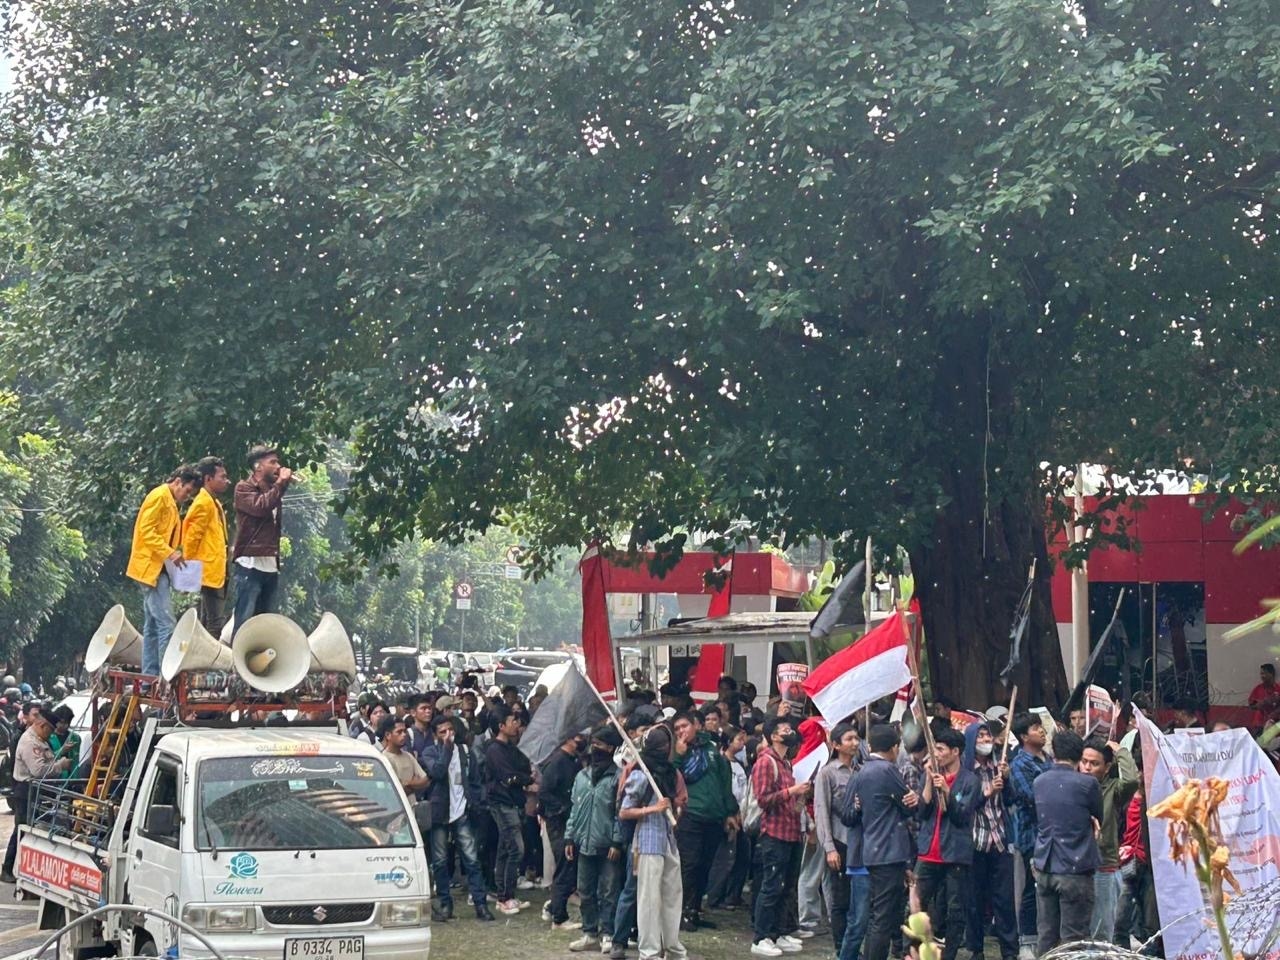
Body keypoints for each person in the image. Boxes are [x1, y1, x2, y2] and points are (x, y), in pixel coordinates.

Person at [845, 724, 917, 960]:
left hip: (873, 849)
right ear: (894, 747)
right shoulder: (887, 770)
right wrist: (915, 798)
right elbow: (907, 806)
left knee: (879, 915)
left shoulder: (860, 772)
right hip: (888, 850)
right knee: (883, 917)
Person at [620, 723, 687, 960]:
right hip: (647, 840)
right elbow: (625, 811)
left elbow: (677, 802)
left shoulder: (670, 773)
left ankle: (672, 946)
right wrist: (653, 808)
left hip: (668, 839)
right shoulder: (640, 773)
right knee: (649, 898)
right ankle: (648, 951)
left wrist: (675, 808)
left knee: (672, 894)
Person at [1031, 730, 1102, 954]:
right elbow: (1098, 815)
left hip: (1045, 865)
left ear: (1054, 753)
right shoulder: (1088, 784)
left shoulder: (1039, 782)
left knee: (1046, 934)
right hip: (1075, 866)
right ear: (1080, 755)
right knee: (1074, 939)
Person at [127, 465, 201, 676]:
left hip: (157, 568)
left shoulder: (169, 500)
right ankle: (165, 676)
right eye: (187, 491)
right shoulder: (160, 497)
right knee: (167, 624)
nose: (187, 497)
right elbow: (146, 531)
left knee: (152, 626)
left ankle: (150, 676)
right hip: (151, 568)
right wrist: (170, 553)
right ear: (178, 481)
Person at [913, 728, 979, 960]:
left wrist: (948, 792)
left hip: (955, 854)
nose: (936, 753)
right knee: (916, 905)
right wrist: (929, 782)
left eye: (940, 749)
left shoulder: (970, 780)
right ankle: (913, 952)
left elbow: (962, 816)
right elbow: (922, 812)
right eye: (935, 748)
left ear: (955, 751)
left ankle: (949, 954)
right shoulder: (930, 775)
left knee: (955, 909)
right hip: (928, 852)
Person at [421, 712, 494, 922]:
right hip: (440, 813)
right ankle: (445, 904)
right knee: (440, 861)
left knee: (472, 859)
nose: (448, 734)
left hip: (462, 811)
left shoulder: (465, 751)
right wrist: (446, 749)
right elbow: (438, 772)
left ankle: (480, 904)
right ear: (435, 735)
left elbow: (476, 780)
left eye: (450, 730)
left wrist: (477, 802)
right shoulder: (430, 752)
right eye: (442, 732)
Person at [750, 714, 810, 957]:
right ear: (773, 736)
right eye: (785, 729)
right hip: (774, 833)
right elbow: (763, 799)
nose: (790, 731)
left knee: (787, 886)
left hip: (791, 831)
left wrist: (799, 796)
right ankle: (761, 936)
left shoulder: (786, 763)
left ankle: (779, 932)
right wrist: (792, 790)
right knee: (772, 886)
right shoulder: (766, 762)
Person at [672, 710, 737, 931]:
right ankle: (683, 912)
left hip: (714, 815)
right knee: (689, 865)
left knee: (705, 865)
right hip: (690, 815)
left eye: (684, 726)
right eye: (677, 728)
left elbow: (724, 781)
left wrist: (729, 812)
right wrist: (679, 755)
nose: (681, 731)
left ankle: (696, 909)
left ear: (696, 726)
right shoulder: (676, 751)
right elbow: (669, 777)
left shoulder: (711, 749)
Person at [565, 724, 625, 952]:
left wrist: (616, 841)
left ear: (610, 748)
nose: (594, 748)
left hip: (608, 844)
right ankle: (590, 932)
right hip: (583, 843)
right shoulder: (581, 776)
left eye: (599, 744)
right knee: (585, 891)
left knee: (609, 892)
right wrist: (570, 837)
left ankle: (608, 933)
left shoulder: (618, 778)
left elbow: (620, 813)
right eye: (593, 744)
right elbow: (575, 809)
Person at [963, 722, 1017, 960]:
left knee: (1004, 899)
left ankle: (1010, 951)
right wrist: (986, 794)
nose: (985, 740)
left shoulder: (998, 767)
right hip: (975, 841)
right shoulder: (966, 773)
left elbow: (1012, 799)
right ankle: (976, 949)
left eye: (988, 736)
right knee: (974, 899)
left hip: (999, 839)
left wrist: (1007, 780)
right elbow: (962, 806)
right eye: (980, 736)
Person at [2, 706, 73, 882]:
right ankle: (7, 868)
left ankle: (26, 871)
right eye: (50, 730)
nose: (51, 734)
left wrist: (59, 756)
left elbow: (47, 761)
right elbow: (39, 770)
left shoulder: (40, 740)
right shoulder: (30, 742)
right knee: (22, 830)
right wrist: (60, 766)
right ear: (42, 725)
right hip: (26, 791)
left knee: (36, 831)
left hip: (38, 791)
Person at [1079, 736, 1139, 942]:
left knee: (1102, 930)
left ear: (1106, 768)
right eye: (1084, 761)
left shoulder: (1113, 789)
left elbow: (1131, 781)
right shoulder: (1073, 785)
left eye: (1094, 763)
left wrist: (1121, 751)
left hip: (1104, 865)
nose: (1087, 768)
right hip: (1076, 867)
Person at [231, 445, 294, 637]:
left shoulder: (274, 491)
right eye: (272, 462)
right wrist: (281, 483)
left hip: (270, 566)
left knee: (265, 624)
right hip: (250, 565)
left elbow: (270, 501)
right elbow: (261, 507)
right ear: (258, 466)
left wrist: (281, 485)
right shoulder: (243, 488)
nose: (278, 466)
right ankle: (237, 655)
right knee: (245, 621)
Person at [1007, 712, 1052, 960]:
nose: (1042, 731)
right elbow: (1033, 798)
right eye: (1035, 728)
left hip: (1053, 833)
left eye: (1041, 726)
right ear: (1024, 736)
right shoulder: (1020, 764)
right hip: (1032, 834)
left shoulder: (1049, 759)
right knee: (1031, 889)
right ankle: (1027, 940)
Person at [484, 706, 535, 915]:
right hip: (502, 803)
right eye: (512, 721)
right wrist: (524, 779)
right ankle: (505, 896)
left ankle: (504, 894)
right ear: (501, 726)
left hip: (513, 802)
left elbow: (524, 769)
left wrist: (524, 777)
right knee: (515, 849)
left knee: (506, 849)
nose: (516, 724)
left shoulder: (511, 748)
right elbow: (509, 777)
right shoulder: (494, 750)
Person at [814, 722, 858, 954]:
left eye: (856, 738)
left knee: (856, 899)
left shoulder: (860, 771)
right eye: (849, 739)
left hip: (859, 843)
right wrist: (829, 847)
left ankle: (853, 945)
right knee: (840, 900)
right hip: (839, 841)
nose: (855, 743)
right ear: (836, 744)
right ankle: (841, 947)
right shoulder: (828, 773)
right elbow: (822, 811)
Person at [182, 455, 231, 636]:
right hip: (208, 570)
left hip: (215, 569)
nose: (227, 481)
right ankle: (211, 654)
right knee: (215, 623)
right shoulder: (203, 503)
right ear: (208, 479)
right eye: (222, 477)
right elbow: (191, 539)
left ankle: (202, 653)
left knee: (207, 620)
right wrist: (188, 574)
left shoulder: (213, 502)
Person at [541, 734, 585, 931]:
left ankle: (554, 906)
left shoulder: (572, 761)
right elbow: (545, 792)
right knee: (564, 865)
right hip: (559, 822)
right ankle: (558, 917)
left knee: (570, 866)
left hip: (568, 820)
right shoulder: (557, 762)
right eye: (577, 736)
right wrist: (561, 808)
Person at [377, 715, 429, 794]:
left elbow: (425, 781)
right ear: (388, 735)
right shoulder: (383, 759)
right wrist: (415, 784)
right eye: (399, 732)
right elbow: (394, 791)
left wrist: (408, 783)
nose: (404, 734)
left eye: (405, 731)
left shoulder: (408, 756)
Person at [47, 705, 82, 778]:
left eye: (68, 723)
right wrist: (61, 751)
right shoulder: (48, 737)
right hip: (55, 778)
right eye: (62, 722)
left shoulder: (75, 737)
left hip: (73, 777)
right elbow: (46, 759)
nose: (65, 726)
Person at [1248, 663, 1280, 729]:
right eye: (1261, 674)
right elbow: (1251, 706)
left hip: (1275, 727)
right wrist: (1261, 704)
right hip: (1258, 725)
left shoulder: (1278, 688)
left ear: (1271, 674)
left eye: (1264, 673)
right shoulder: (1258, 688)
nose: (1262, 676)